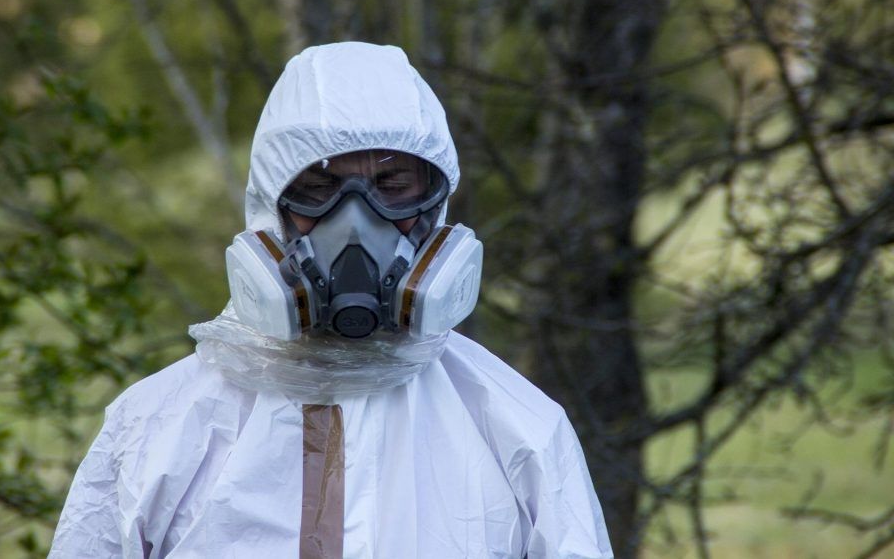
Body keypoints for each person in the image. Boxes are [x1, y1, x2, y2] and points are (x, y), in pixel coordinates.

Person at [50, 42, 613, 558]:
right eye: (319, 191)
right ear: (271, 208)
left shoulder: (518, 430)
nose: (355, 226)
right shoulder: (158, 427)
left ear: (436, 211)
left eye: (393, 190)